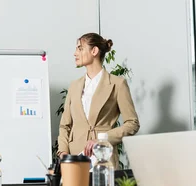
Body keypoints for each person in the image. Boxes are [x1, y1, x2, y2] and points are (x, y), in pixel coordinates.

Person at [57, 33, 140, 169]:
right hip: (74, 158)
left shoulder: (117, 84)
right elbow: (64, 125)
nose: (75, 53)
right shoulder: (74, 86)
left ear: (94, 51)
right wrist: (64, 153)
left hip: (104, 157)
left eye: (80, 48)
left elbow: (133, 123)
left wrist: (102, 139)